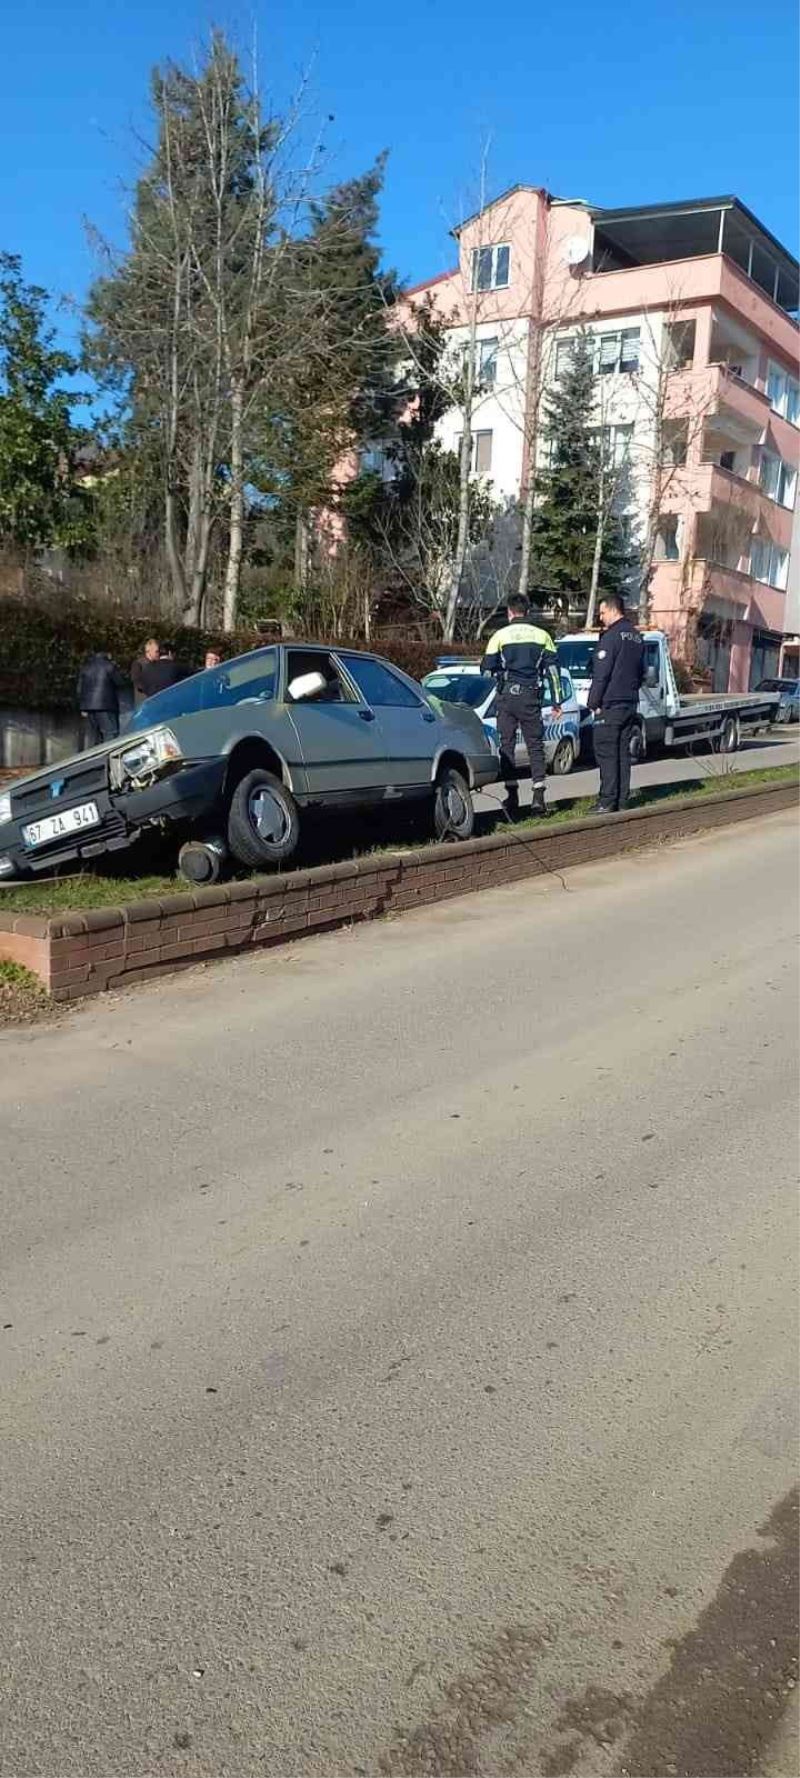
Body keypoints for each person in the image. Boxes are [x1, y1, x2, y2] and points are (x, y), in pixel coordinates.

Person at [481, 595, 560, 817]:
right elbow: (553, 672)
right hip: (531, 696)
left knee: (506, 746)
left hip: (506, 697)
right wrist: (556, 701)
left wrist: (500, 675)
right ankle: (538, 797)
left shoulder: (499, 635)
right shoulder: (543, 636)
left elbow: (486, 671)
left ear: (510, 612)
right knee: (535, 745)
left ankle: (512, 794)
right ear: (527, 612)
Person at [587, 593, 644, 813]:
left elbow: (602, 673)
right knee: (622, 753)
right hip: (629, 702)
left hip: (610, 704)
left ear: (612, 610)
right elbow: (641, 672)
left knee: (606, 753)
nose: (600, 618)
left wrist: (593, 702)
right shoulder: (637, 637)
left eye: (602, 612)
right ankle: (622, 799)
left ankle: (607, 801)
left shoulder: (611, 637)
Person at [77, 651, 127, 745]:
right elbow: (120, 682)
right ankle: (110, 758)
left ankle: (96, 758)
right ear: (107, 655)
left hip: (89, 707)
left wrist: (83, 707)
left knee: (95, 736)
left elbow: (79, 689)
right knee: (111, 734)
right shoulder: (109, 666)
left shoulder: (86, 667)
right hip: (106, 705)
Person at [131, 637, 161, 706]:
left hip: (156, 701)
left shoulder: (158, 664)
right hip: (144, 702)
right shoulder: (138, 664)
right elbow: (136, 681)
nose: (158, 654)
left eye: (158, 651)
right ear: (148, 651)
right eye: (156, 651)